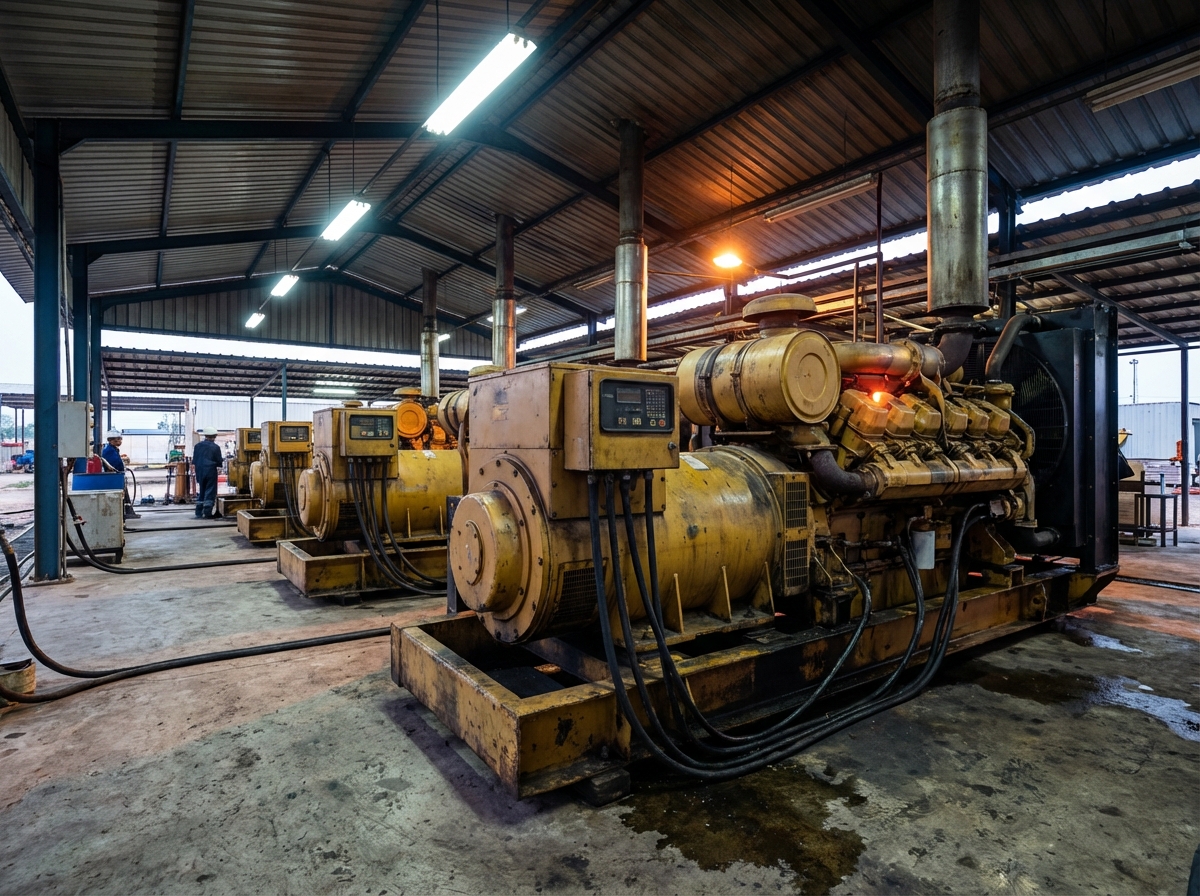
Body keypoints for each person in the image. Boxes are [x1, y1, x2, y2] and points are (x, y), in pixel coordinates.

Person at [101, 430, 140, 520]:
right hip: (114, 477)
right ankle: (124, 513)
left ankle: (127, 512)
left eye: (120, 439)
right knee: (121, 496)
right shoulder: (109, 451)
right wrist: (122, 465)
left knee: (124, 496)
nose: (119, 442)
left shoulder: (112, 449)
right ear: (111, 440)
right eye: (117, 440)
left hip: (117, 476)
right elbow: (114, 464)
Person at [192, 427, 224, 519]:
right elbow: (219, 461)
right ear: (214, 436)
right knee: (210, 490)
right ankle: (207, 512)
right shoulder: (216, 447)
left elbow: (194, 461)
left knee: (202, 489)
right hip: (210, 471)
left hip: (200, 471)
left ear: (205, 435)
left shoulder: (197, 446)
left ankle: (198, 511)